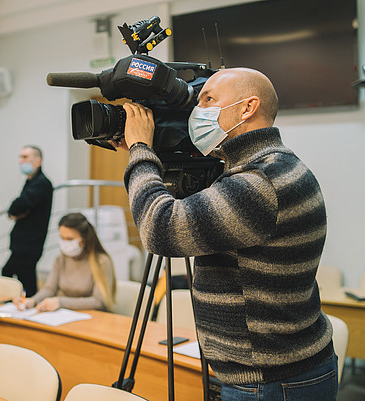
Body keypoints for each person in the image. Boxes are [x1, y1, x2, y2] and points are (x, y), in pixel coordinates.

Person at [111, 68, 337, 400]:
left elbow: (160, 229)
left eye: (208, 99)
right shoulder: (266, 165)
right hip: (277, 370)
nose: (197, 110)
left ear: (248, 108)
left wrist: (141, 149)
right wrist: (146, 151)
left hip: (270, 381)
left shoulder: (259, 182)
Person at [16, 212, 116, 312]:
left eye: (69, 239)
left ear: (84, 239)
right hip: (69, 314)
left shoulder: (101, 262)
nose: (65, 243)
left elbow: (99, 301)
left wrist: (60, 302)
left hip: (95, 316)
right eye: (62, 238)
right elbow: (50, 289)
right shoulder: (60, 259)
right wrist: (33, 301)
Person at [2, 145, 53, 296]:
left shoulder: (41, 183)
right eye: (20, 157)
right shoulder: (32, 181)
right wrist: (18, 211)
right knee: (13, 274)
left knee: (23, 278)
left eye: (25, 157)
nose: (20, 161)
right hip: (23, 242)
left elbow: (17, 206)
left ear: (38, 161)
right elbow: (16, 209)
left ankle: (27, 305)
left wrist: (17, 211)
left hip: (30, 243)